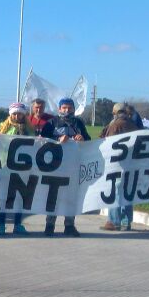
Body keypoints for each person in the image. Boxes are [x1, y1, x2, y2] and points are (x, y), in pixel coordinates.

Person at [40, 97, 90, 237]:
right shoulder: (51, 123)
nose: (67, 110)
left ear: (74, 109)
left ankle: (69, 225)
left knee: (71, 197)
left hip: (73, 166)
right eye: (64, 108)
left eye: (69, 108)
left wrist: (82, 139)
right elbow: (42, 142)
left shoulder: (79, 122)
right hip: (55, 166)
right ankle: (49, 225)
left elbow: (89, 142)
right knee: (53, 196)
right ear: (59, 109)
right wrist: (57, 140)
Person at [99, 103, 138, 231]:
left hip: (116, 163)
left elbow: (108, 143)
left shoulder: (115, 125)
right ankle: (126, 221)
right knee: (127, 192)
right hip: (131, 163)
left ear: (115, 112)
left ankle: (114, 221)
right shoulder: (133, 124)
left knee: (114, 191)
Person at [0, 102, 31, 235]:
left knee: (20, 198)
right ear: (11, 114)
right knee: (4, 197)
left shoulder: (29, 129)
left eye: (19, 113)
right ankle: (1, 224)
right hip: (6, 166)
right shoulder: (4, 128)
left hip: (23, 167)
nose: (17, 116)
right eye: (14, 113)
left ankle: (17, 224)